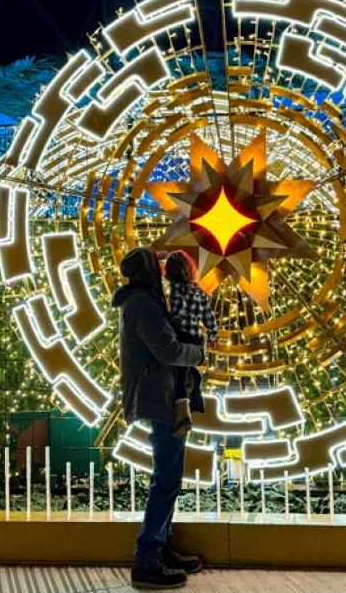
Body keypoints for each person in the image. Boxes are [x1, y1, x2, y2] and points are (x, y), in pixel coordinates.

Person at [112, 247, 206, 589]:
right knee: (166, 480)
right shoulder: (143, 305)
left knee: (168, 479)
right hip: (160, 399)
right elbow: (167, 350)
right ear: (150, 271)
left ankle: (161, 549)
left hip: (162, 397)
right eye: (158, 264)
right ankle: (147, 558)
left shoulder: (140, 302)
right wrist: (200, 352)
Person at [163, 251, 215, 438]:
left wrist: (168, 319)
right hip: (197, 339)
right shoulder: (199, 292)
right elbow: (209, 317)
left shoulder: (177, 290)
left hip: (181, 337)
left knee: (179, 376)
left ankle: (182, 412)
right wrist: (212, 335)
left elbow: (178, 313)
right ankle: (196, 401)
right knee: (189, 373)